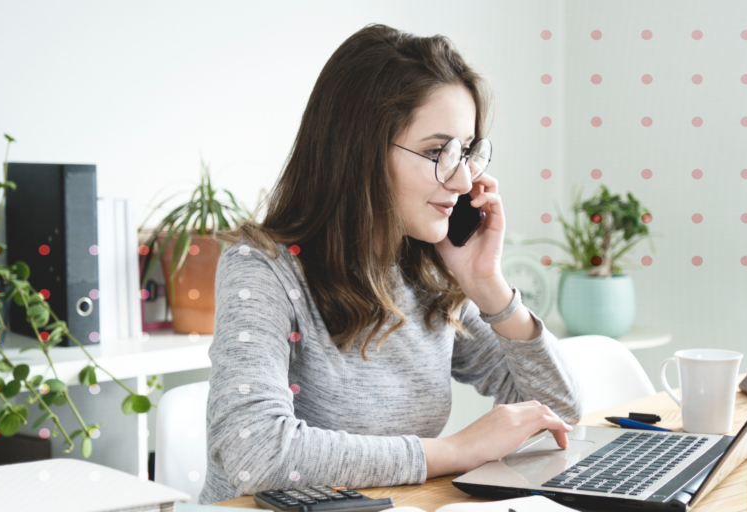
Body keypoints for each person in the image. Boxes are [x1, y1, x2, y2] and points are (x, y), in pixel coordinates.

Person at [199, 23, 585, 505]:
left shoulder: (428, 269)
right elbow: (254, 451)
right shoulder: (263, 268)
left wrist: (488, 286)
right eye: (435, 151)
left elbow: (559, 413)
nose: (464, 179)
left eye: (465, 151)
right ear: (357, 152)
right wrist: (454, 451)